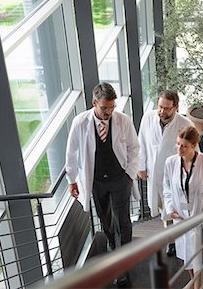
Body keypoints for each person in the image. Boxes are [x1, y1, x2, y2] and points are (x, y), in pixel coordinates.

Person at [65, 82, 139, 285]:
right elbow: (71, 153)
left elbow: (134, 148)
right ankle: (113, 249)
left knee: (122, 222)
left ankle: (121, 264)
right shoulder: (80, 123)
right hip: (96, 182)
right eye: (104, 107)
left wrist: (129, 174)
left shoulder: (123, 120)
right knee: (105, 219)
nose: (109, 112)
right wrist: (72, 180)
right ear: (94, 103)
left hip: (120, 180)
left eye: (112, 107)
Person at [163, 126, 203, 289]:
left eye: (184, 146)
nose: (179, 149)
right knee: (189, 260)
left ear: (195, 145)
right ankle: (197, 284)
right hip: (181, 220)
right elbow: (166, 188)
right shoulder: (171, 162)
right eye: (178, 144)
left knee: (200, 260)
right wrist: (170, 209)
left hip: (202, 223)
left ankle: (197, 286)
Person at [137, 89, 194, 256]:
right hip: (153, 173)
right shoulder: (148, 117)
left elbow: (190, 152)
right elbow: (142, 141)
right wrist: (141, 166)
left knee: (174, 208)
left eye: (167, 108)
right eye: (160, 107)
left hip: (174, 176)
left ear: (176, 107)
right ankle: (170, 238)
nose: (162, 111)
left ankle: (174, 241)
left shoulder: (186, 124)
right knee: (162, 207)